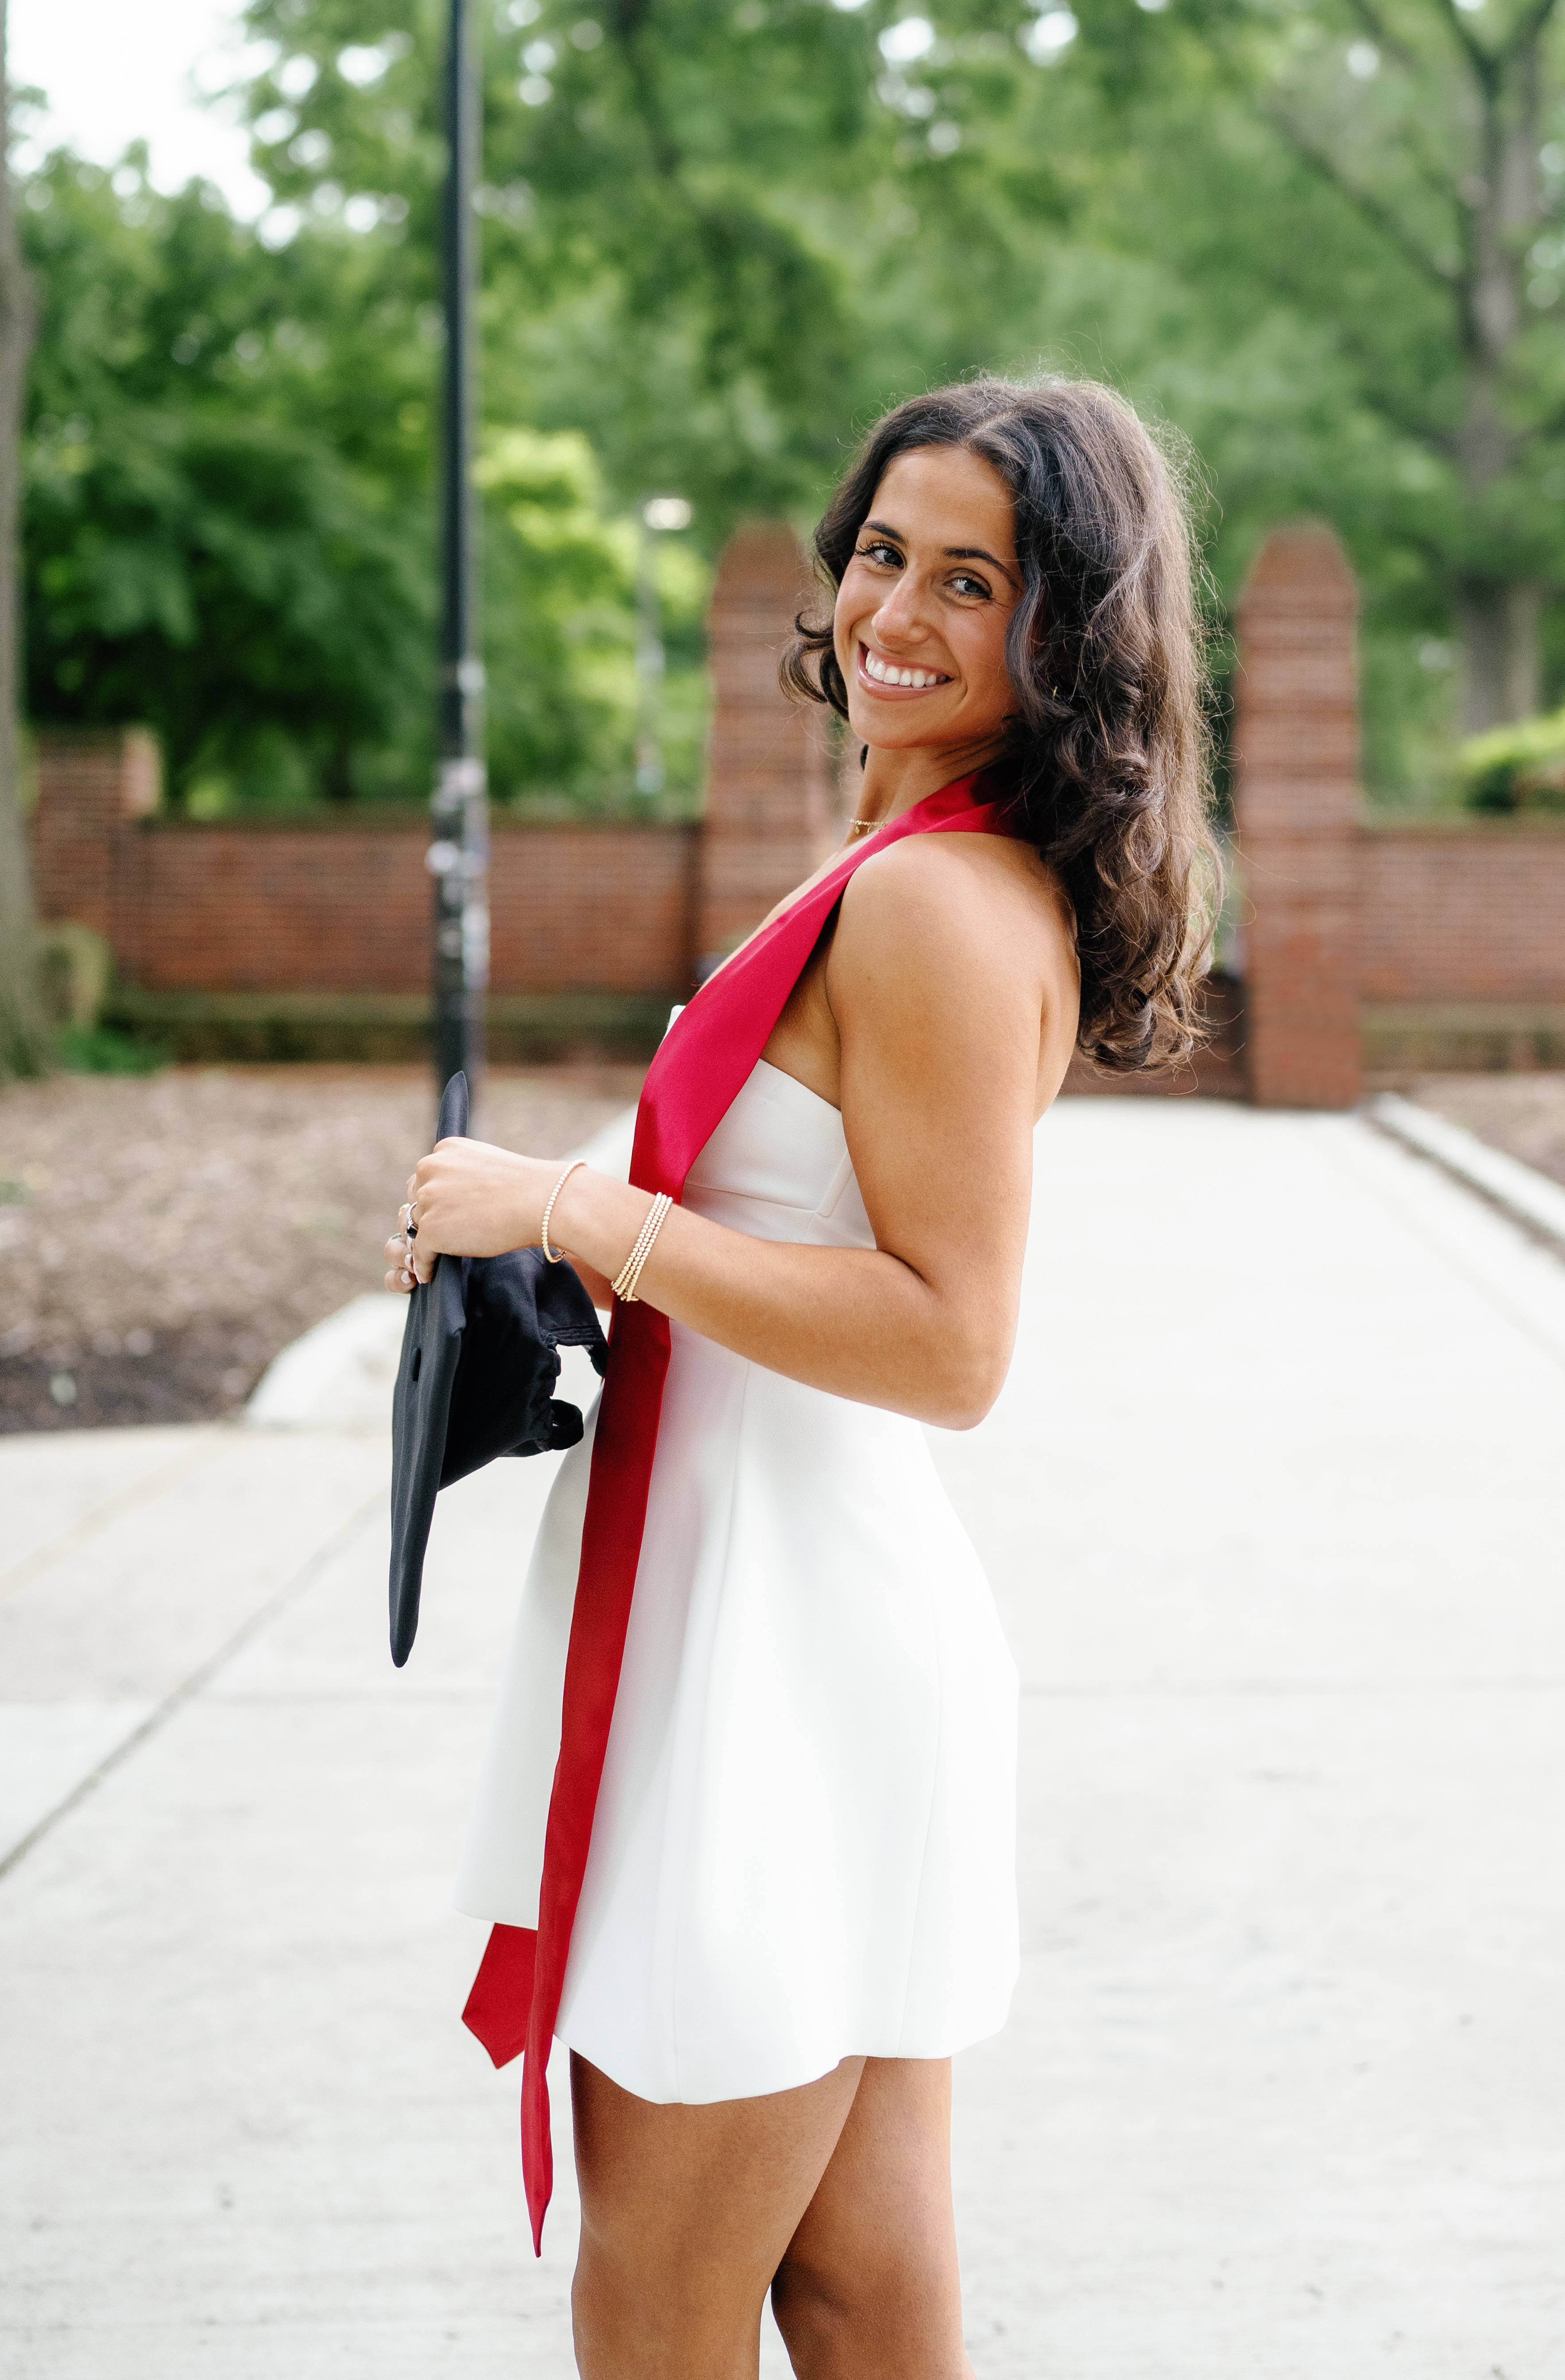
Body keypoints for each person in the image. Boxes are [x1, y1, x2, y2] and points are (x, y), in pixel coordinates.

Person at [385, 374, 1217, 2379]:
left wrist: (575, 1211)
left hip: (777, 1655)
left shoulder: (935, 902)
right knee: (859, 2300)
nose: (895, 617)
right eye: (878, 554)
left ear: (1067, 637)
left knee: (656, 2315)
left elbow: (952, 1341)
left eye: (971, 582)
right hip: (771, 1614)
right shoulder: (921, 860)